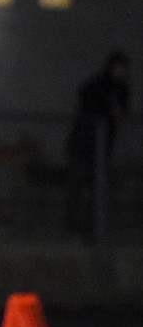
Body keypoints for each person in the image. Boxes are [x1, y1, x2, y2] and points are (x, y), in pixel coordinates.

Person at [65, 50, 131, 238]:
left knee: (97, 189)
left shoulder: (121, 89)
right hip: (83, 144)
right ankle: (72, 227)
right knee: (77, 186)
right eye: (118, 67)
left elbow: (121, 115)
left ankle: (91, 227)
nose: (121, 72)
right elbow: (85, 99)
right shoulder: (97, 85)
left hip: (102, 148)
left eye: (123, 69)